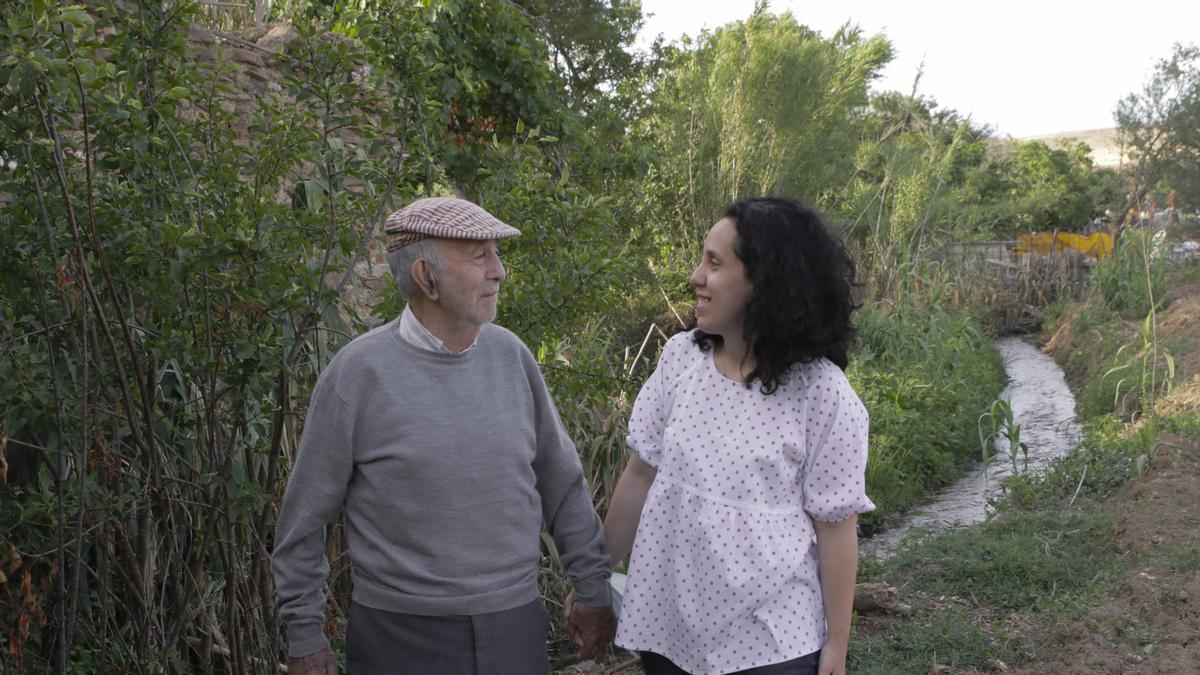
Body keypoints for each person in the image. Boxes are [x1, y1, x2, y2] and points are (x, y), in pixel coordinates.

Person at [272, 197, 616, 674]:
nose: (499, 271)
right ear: (425, 276)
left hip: (515, 630)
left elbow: (562, 485)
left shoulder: (512, 358)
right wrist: (305, 634)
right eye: (479, 256)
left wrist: (594, 590)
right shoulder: (357, 375)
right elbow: (303, 522)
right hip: (397, 639)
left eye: (496, 253)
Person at [602, 197, 872, 675]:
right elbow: (640, 475)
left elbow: (836, 529)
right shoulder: (681, 360)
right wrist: (594, 578)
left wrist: (838, 646)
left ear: (765, 282)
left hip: (771, 644)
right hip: (669, 628)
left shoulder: (822, 394)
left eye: (714, 262)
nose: (696, 277)